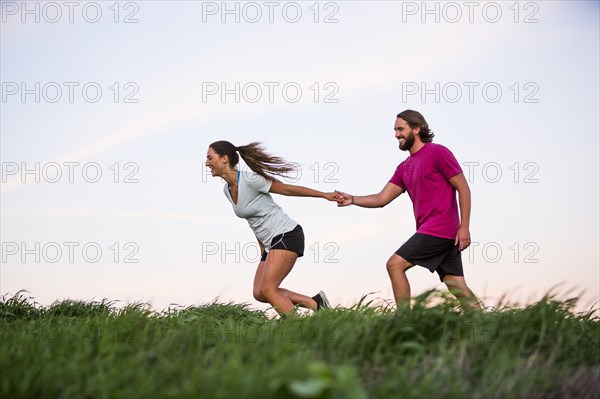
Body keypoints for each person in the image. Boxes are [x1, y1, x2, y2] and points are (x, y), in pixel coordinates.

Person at [336, 110, 480, 310]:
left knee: (394, 264)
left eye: (400, 129)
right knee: (456, 284)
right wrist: (352, 199)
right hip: (435, 231)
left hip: (440, 227)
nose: (396, 134)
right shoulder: (404, 167)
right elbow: (381, 198)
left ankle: (404, 322)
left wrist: (464, 227)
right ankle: (482, 323)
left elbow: (463, 188)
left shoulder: (438, 152)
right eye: (395, 130)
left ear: (417, 129)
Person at [205, 140, 335, 315]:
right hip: (270, 243)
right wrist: (262, 247)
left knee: (268, 289)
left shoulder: (250, 180)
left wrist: (324, 195)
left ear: (224, 159)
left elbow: (287, 189)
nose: (206, 163)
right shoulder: (227, 190)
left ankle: (299, 328)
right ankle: (316, 303)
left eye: (209, 158)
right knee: (259, 293)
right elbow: (252, 219)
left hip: (286, 234)